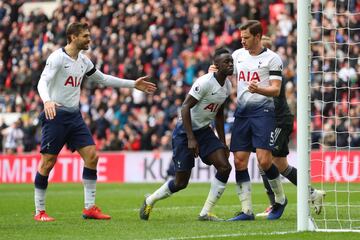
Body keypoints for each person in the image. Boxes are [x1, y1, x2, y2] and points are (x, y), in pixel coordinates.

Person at [34, 22, 156, 222]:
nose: (89, 39)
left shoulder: (83, 61)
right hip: (55, 115)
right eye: (85, 36)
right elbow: (42, 81)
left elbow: (103, 79)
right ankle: (39, 212)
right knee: (47, 163)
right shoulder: (57, 58)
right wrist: (47, 100)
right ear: (73, 37)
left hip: (74, 116)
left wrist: (132, 84)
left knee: (92, 157)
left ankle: (89, 208)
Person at [139, 48, 233, 221]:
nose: (230, 64)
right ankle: (150, 199)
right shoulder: (204, 82)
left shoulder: (227, 86)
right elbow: (185, 107)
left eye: (231, 61)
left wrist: (222, 142)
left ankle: (205, 212)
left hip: (204, 131)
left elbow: (219, 113)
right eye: (226, 62)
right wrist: (190, 138)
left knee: (225, 167)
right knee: (181, 183)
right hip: (185, 131)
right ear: (217, 65)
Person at [256, 36, 326, 217]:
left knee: (265, 161)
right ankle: (312, 193)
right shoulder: (260, 67)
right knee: (280, 165)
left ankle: (274, 204)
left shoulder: (271, 68)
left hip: (278, 120)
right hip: (272, 119)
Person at [227, 20, 287, 221]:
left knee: (264, 160)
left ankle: (280, 200)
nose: (242, 41)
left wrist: (258, 88)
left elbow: (276, 89)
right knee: (239, 160)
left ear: (258, 36)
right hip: (242, 113)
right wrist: (214, 70)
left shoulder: (273, 59)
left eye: (246, 37)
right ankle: (246, 211)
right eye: (241, 37)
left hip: (263, 112)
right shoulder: (237, 55)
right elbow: (226, 73)